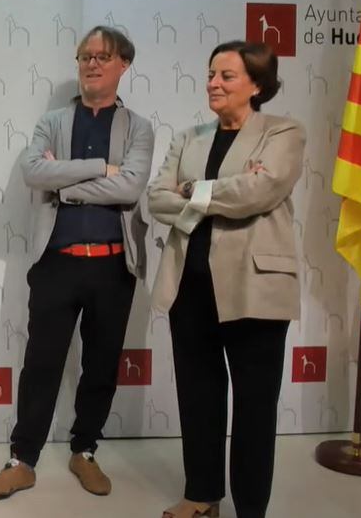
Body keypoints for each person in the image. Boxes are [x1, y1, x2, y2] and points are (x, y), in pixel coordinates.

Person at [0, 26, 154, 498]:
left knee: (101, 364)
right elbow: (35, 172)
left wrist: (66, 181)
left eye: (102, 56)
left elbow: (132, 187)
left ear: (123, 64)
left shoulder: (138, 127)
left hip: (113, 266)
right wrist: (101, 169)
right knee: (41, 363)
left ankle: (85, 451)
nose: (91, 63)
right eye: (84, 56)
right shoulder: (53, 121)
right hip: (57, 263)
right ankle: (22, 459)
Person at [147, 41, 305, 518]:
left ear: (257, 85)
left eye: (227, 76)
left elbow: (261, 191)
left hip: (255, 290)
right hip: (189, 288)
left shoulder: (284, 132)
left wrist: (192, 191)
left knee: (255, 408)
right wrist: (221, 192)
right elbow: (156, 199)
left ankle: (251, 508)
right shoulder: (188, 136)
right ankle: (201, 497)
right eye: (211, 73)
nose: (213, 83)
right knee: (198, 399)